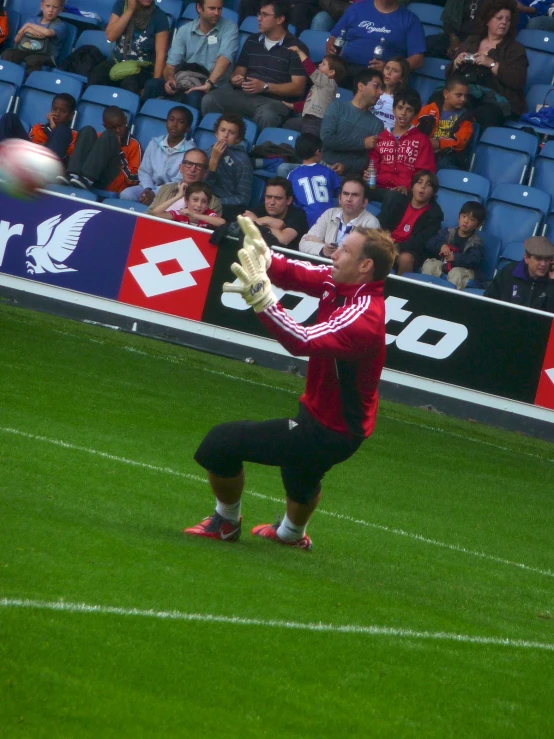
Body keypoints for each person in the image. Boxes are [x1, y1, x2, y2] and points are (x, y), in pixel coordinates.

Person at [184, 216, 397, 549]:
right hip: (329, 418)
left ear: (365, 266)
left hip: (333, 431)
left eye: (344, 250)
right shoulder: (340, 282)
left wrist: (263, 301)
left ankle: (226, 522)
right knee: (301, 472)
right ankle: (292, 536)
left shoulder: (364, 317)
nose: (334, 255)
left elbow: (300, 339)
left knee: (221, 443)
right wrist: (264, 255)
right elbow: (296, 273)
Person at [201, 0, 309, 129]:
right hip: (244, 94)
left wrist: (265, 87)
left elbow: (298, 88)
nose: (259, 18)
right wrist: (236, 79)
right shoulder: (252, 40)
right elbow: (239, 71)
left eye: (265, 15)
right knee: (210, 99)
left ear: (280, 19)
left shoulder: (297, 48)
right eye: (259, 14)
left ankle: (256, 148)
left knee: (268, 115)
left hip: (274, 101)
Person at [142, 0, 238, 111]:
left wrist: (209, 83)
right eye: (212, 8)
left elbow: (224, 59)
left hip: (214, 85)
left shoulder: (230, 28)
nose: (217, 13)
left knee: (194, 96)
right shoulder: (184, 30)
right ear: (199, 8)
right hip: (186, 80)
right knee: (152, 85)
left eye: (219, 9)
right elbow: (170, 65)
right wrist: (169, 79)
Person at [448, 0, 528, 128]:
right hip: (468, 94)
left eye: (508, 19)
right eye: (499, 18)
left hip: (497, 101)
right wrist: (456, 63)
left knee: (479, 115)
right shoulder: (472, 41)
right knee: (439, 101)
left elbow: (518, 81)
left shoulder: (516, 49)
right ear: (487, 20)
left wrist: (491, 64)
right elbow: (449, 75)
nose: (504, 22)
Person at [325, 0, 426, 87]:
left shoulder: (410, 19)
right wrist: (331, 47)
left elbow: (418, 58)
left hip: (380, 76)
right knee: (314, 73)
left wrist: (389, 68)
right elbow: (334, 37)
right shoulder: (356, 8)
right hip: (346, 67)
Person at [365, 88, 436, 198]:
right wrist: (368, 176)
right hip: (378, 188)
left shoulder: (422, 140)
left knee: (393, 197)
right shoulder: (382, 137)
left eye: (409, 110)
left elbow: (425, 174)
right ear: (393, 110)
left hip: (403, 193)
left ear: (415, 114)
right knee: (354, 187)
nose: (403, 113)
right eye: (400, 108)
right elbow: (373, 164)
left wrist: (409, 189)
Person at [89, 0, 169, 95]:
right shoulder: (121, 5)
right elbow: (110, 37)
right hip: (117, 62)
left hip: (141, 68)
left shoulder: (160, 17)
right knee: (97, 75)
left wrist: (154, 84)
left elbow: (161, 54)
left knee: (130, 83)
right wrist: (130, 10)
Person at [120, 106, 196, 205]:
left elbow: (180, 180)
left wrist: (155, 193)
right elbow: (144, 171)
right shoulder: (155, 143)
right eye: (171, 120)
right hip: (149, 187)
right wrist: (148, 189)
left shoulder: (191, 151)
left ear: (187, 128)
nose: (174, 124)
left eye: (180, 122)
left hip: (173, 192)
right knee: (126, 194)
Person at [320, 69, 385, 176]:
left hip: (349, 177)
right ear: (360, 86)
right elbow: (327, 139)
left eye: (381, 88)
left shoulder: (377, 124)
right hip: (323, 166)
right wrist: (362, 143)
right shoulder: (337, 107)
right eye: (376, 86)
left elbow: (367, 160)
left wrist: (346, 167)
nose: (381, 92)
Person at [378, 169, 444, 275]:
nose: (423, 187)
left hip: (410, 249)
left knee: (405, 259)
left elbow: (420, 241)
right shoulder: (398, 200)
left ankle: (400, 290)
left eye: (428, 185)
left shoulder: (434, 214)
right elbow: (382, 221)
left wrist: (395, 247)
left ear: (433, 192)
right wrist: (384, 241)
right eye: (419, 182)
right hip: (387, 241)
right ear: (412, 186)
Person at [63, 106, 141, 193]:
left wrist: (119, 151)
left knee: (109, 136)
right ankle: (73, 175)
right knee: (88, 130)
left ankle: (87, 179)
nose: (118, 130)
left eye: (120, 126)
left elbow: (134, 178)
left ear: (126, 121)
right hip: (89, 179)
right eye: (113, 128)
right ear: (105, 126)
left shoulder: (134, 144)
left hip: (112, 184)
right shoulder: (100, 137)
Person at [299, 176, 380, 257]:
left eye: (355, 195)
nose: (349, 199)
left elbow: (363, 257)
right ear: (340, 198)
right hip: (322, 266)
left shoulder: (371, 223)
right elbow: (303, 243)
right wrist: (323, 249)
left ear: (365, 202)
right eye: (345, 193)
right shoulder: (329, 214)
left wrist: (324, 246)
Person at [282, 47, 348, 135]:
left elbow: (311, 69)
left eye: (323, 64)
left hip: (316, 122)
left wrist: (299, 51)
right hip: (305, 119)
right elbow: (308, 104)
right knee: (287, 125)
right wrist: (292, 106)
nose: (319, 65)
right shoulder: (319, 85)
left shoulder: (329, 82)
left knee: (308, 140)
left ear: (331, 72)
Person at [421, 201, 486, 290]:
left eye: (471, 219)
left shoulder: (476, 242)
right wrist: (441, 246)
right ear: (458, 218)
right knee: (430, 265)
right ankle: (425, 292)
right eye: (464, 216)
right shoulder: (448, 232)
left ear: (478, 225)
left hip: (464, 271)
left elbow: (474, 260)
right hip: (444, 265)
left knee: (456, 273)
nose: (466, 221)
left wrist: (455, 257)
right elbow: (430, 243)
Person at [414, 76, 474, 171]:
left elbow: (460, 143)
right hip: (423, 150)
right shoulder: (428, 110)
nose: (463, 99)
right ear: (446, 94)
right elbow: (412, 131)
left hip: (448, 156)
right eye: (459, 95)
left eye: (465, 96)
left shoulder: (467, 117)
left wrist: (438, 144)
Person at [205, 113, 253, 223]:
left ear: (238, 139)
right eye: (222, 130)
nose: (225, 135)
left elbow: (243, 198)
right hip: (201, 201)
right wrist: (213, 161)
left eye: (231, 133)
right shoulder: (205, 153)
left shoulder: (243, 161)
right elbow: (202, 187)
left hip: (226, 208)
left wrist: (216, 202)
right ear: (216, 133)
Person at [0, 93, 77, 162]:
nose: (57, 113)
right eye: (55, 109)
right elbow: (31, 145)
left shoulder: (73, 135)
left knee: (62, 130)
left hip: (49, 166)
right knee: (10, 117)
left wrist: (54, 129)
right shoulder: (39, 127)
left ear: (71, 115)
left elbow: (65, 154)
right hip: (28, 157)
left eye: (63, 111)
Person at [484, 236, 554, 312]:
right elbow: (488, 300)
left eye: (547, 259)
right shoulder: (508, 272)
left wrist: (551, 283)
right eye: (538, 258)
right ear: (526, 258)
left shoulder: (551, 279)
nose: (543, 264)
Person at [147, 148, 223, 216]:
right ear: (181, 168)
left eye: (199, 166)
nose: (192, 169)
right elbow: (148, 216)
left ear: (205, 173)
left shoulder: (213, 202)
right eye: (188, 163)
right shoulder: (165, 189)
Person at [287, 133, 342, 228]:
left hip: (303, 222)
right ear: (317, 152)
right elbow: (341, 193)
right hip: (329, 221)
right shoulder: (328, 172)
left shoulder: (292, 175)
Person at [1, 0, 67, 74]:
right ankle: (5, 78)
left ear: (60, 9)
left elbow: (48, 32)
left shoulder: (60, 25)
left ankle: (27, 83)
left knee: (33, 60)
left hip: (46, 56)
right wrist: (25, 30)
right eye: (47, 6)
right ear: (42, 6)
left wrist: (29, 26)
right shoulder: (32, 20)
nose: (50, 10)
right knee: (8, 53)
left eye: (55, 7)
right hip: (25, 51)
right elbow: (16, 40)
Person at [242, 176, 309, 249]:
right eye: (268, 197)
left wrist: (259, 221)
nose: (272, 202)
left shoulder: (298, 215)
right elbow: (241, 226)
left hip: (289, 258)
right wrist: (267, 221)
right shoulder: (260, 209)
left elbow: (283, 239)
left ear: (289, 200)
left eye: (278, 198)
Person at [151, 180, 226, 229]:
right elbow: (156, 213)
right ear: (186, 201)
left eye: (204, 201)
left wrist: (194, 215)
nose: (199, 204)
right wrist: (179, 196)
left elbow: (222, 223)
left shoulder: (209, 215)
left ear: (207, 205)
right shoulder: (181, 213)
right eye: (195, 200)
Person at [371, 56, 411, 132]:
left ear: (401, 78)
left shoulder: (403, 100)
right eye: (387, 68)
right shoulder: (372, 91)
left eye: (395, 71)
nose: (388, 73)